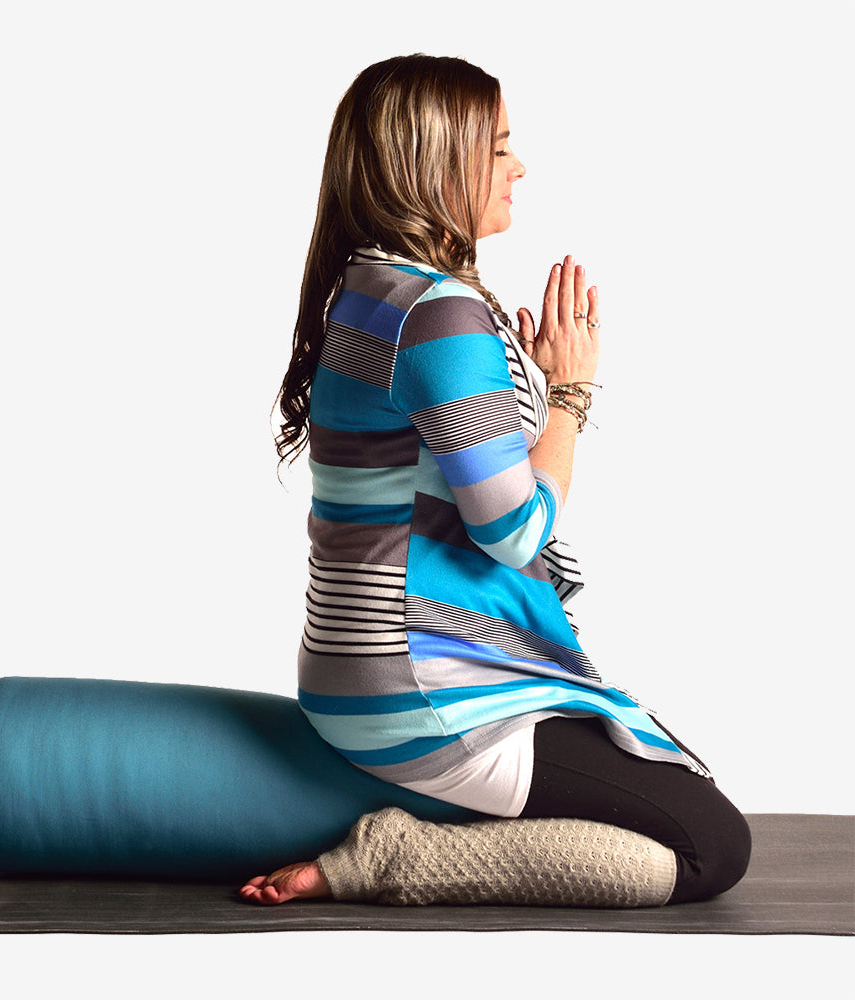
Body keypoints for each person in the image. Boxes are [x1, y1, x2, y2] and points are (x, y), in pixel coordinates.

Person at [240, 54, 750, 908]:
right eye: (500, 146)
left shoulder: (366, 289)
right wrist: (570, 397)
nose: (520, 167)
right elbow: (514, 532)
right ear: (436, 163)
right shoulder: (435, 311)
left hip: (352, 672)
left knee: (669, 793)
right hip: (418, 690)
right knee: (713, 849)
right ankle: (390, 858)